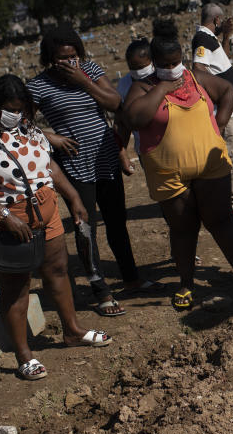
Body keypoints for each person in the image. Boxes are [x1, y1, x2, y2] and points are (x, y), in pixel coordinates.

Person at [0, 75, 113, 381]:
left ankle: (72, 330)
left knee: (58, 270)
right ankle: (23, 355)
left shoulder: (26, 127)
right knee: (16, 285)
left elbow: (48, 165)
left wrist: (72, 196)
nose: (16, 114)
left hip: (45, 208)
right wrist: (5, 217)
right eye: (10, 109)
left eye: (22, 109)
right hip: (7, 217)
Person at [123, 20, 233, 310]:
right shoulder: (143, 87)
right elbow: (135, 118)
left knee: (221, 221)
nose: (173, 68)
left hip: (210, 168)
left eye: (177, 62)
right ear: (155, 63)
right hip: (169, 174)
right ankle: (186, 283)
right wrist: (162, 88)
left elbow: (227, 91)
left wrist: (219, 125)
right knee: (183, 229)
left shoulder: (195, 77)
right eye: (166, 64)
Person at [27, 27, 157, 318]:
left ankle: (131, 277)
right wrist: (50, 136)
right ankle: (101, 291)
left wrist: (83, 81)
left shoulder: (90, 70)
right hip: (74, 163)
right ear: (50, 59)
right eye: (62, 58)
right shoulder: (38, 86)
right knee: (85, 226)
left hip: (106, 157)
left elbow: (114, 103)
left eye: (74, 56)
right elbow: (20, 125)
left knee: (117, 222)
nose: (70, 62)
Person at [191, 3, 233, 218]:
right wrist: (220, 92)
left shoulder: (211, 39)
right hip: (225, 106)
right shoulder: (202, 40)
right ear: (217, 20)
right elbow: (198, 69)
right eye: (223, 22)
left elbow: (222, 61)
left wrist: (227, 37)